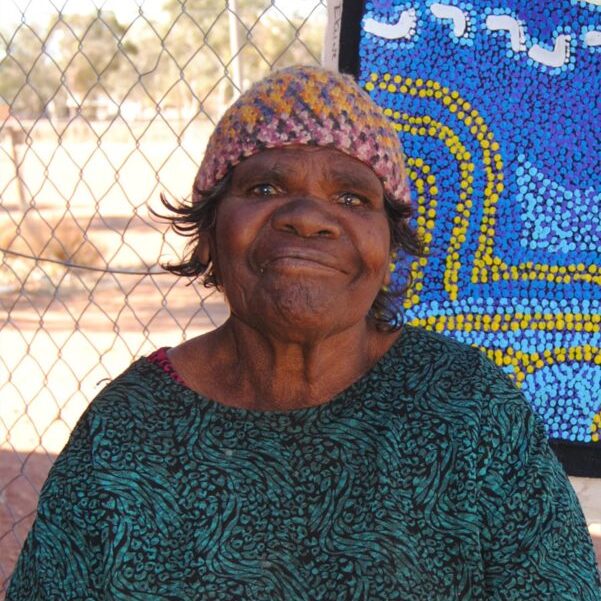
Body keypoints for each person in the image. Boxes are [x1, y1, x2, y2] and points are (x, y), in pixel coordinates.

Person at [7, 65, 601, 600]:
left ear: (390, 248)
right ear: (210, 231)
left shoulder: (469, 409)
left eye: (351, 196)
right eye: (264, 188)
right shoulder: (127, 430)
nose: (309, 217)